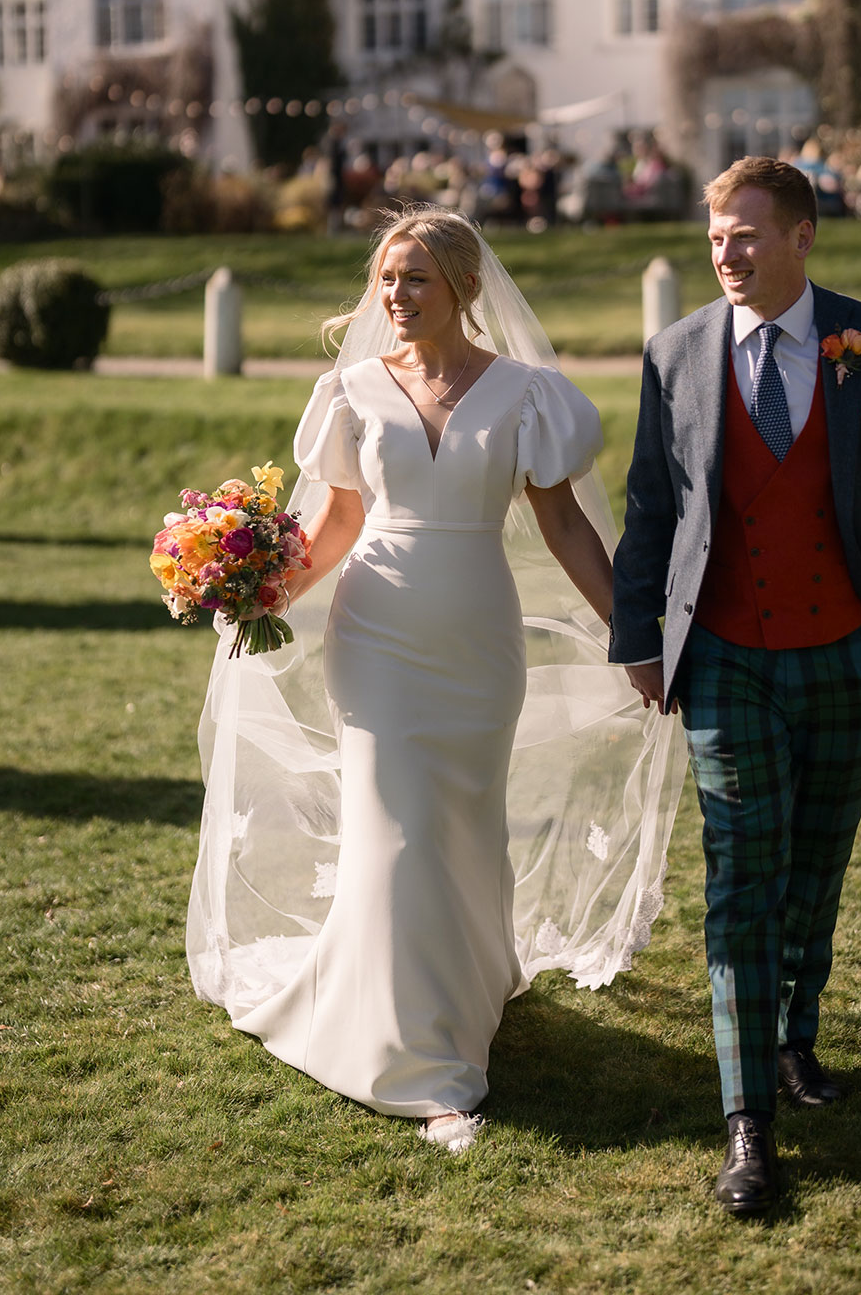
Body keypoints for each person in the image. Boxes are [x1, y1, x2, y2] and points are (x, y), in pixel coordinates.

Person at [186, 206, 684, 1155]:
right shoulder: (350, 390)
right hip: (376, 637)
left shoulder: (528, 395)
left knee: (461, 820)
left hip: (475, 640)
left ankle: (468, 983)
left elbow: (567, 527)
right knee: (397, 828)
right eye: (385, 279)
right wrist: (260, 593)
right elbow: (333, 526)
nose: (394, 296)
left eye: (414, 278)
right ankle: (420, 1068)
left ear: (463, 286)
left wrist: (635, 633)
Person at [609, 156, 861, 1216]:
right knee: (741, 883)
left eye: (748, 235)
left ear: (804, 236)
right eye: (717, 236)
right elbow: (651, 509)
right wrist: (639, 638)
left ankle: (796, 1040)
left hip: (853, 654)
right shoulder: (674, 355)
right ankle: (747, 1121)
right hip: (722, 658)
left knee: (816, 867)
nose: (728, 253)